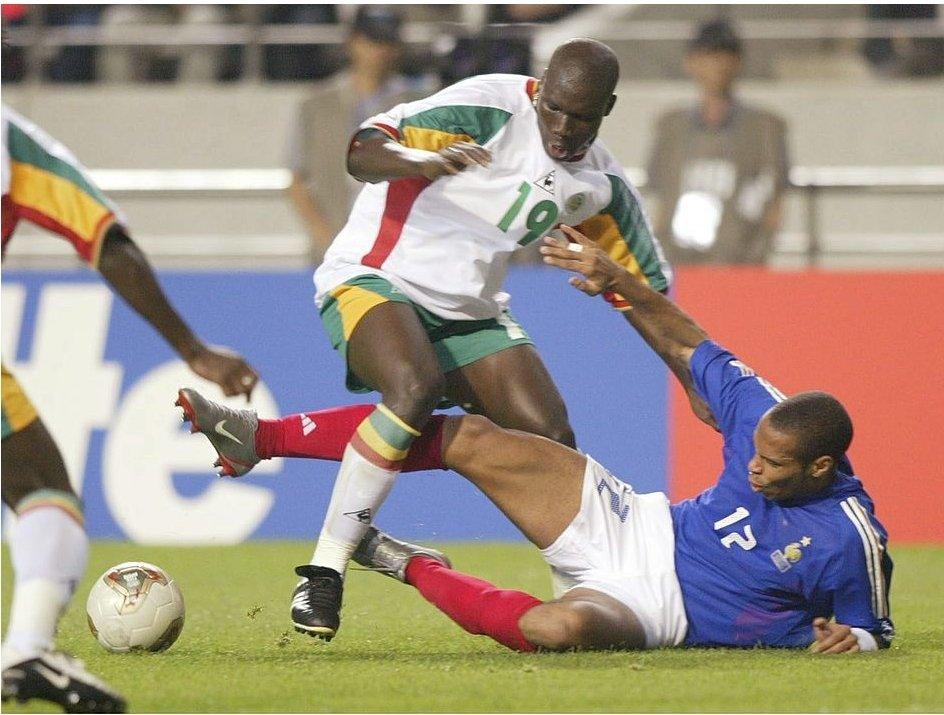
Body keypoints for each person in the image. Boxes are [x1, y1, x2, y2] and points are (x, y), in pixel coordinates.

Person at [181, 223, 892, 654]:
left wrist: (851, 640)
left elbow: (871, 629)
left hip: (658, 611)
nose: (755, 468)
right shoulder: (763, 413)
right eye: (755, 455)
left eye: (771, 466)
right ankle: (259, 436)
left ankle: (408, 563)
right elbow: (689, 345)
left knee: (555, 631)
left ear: (822, 467)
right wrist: (620, 284)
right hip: (642, 526)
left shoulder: (848, 537)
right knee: (472, 436)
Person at [184, 38, 670, 643]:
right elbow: (361, 152)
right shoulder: (487, 106)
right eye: (555, 110)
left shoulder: (600, 185)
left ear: (609, 109)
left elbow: (649, 292)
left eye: (583, 117)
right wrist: (419, 163)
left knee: (552, 440)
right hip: (373, 275)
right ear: (539, 90)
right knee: (414, 388)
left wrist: (688, 370)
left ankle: (574, 597)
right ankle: (325, 569)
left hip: (471, 310)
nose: (565, 129)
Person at [1, 105, 260, 713]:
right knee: (44, 491)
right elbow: (104, 238)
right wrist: (192, 350)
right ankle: (26, 649)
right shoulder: (11, 140)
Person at [286, 6, 433, 263]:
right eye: (371, 41)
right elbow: (296, 180)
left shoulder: (419, 104)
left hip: (400, 250)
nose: (379, 51)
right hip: (333, 246)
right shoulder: (317, 104)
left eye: (387, 42)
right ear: (352, 42)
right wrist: (327, 238)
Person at [647, 20, 789, 265]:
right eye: (709, 55)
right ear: (691, 62)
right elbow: (661, 197)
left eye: (726, 55)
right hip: (679, 263)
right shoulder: (671, 126)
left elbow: (774, 199)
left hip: (740, 265)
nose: (718, 65)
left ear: (738, 62)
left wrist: (758, 255)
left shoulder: (765, 126)